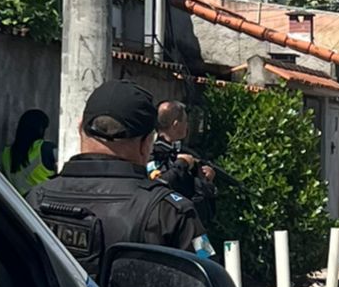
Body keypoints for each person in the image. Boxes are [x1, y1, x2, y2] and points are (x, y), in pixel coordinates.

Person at [29, 79, 213, 274]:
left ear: (80, 127)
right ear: (147, 143)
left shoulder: (32, 201)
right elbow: (209, 279)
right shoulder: (171, 213)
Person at [149, 99, 217, 222]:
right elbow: (158, 184)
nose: (187, 125)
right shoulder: (154, 153)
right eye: (185, 121)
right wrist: (182, 164)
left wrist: (207, 181)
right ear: (176, 125)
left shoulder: (185, 152)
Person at [1, 108, 55, 195]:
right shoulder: (45, 148)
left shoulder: (5, 154)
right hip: (43, 202)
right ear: (40, 129)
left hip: (18, 204)